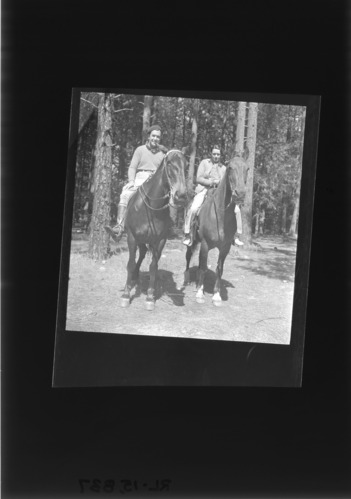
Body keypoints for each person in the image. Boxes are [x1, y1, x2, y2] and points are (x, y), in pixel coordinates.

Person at [105, 125, 167, 242]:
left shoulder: (163, 154)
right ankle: (119, 227)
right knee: (125, 195)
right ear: (149, 137)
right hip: (141, 177)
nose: (155, 138)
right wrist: (131, 181)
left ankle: (168, 226)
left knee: (168, 198)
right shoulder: (140, 150)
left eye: (158, 137)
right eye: (153, 136)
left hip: (156, 181)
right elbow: (132, 167)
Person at [183, 145, 244, 246]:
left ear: (220, 156)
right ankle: (188, 234)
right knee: (193, 208)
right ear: (211, 154)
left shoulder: (224, 168)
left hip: (219, 193)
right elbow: (198, 178)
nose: (216, 156)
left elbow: (225, 182)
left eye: (218, 154)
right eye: (214, 154)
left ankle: (236, 236)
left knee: (236, 209)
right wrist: (210, 182)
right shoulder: (204, 163)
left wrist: (219, 182)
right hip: (204, 190)